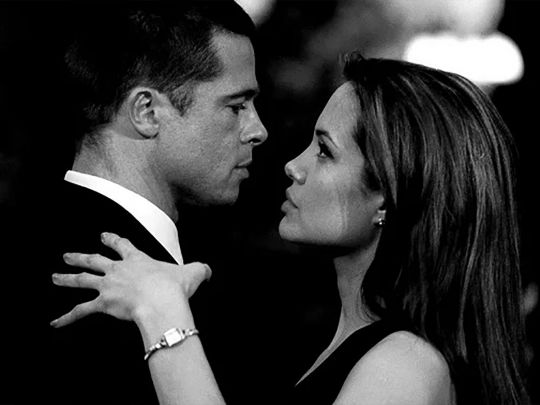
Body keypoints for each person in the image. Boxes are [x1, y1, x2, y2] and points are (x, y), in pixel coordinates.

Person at [51, 54, 528, 405]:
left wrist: (163, 314)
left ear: (387, 193)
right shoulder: (345, 345)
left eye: (325, 151)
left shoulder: (404, 365)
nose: (293, 166)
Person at [1, 1, 266, 404]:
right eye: (236, 106)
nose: (257, 130)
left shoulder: (34, 236)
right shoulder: (92, 285)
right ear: (147, 111)